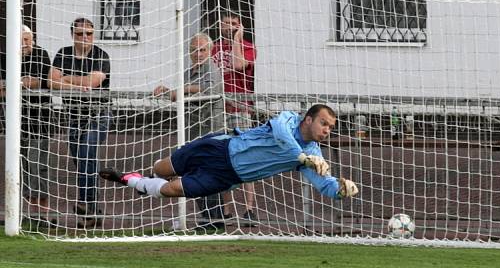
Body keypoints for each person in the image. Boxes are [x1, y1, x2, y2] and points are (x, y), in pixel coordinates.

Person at [99, 104, 359, 210]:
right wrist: (303, 158)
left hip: (227, 175)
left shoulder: (314, 154)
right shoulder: (288, 119)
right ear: (308, 119)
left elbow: (324, 184)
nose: (327, 130)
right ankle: (147, 176)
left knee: (171, 189)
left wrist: (340, 190)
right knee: (163, 168)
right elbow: (281, 136)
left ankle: (131, 181)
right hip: (221, 147)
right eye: (324, 123)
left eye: (331, 128)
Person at [153, 32, 228, 228]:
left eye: (202, 50)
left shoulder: (211, 70)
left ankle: (215, 218)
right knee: (196, 174)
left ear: (210, 51)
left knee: (210, 175)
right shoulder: (189, 72)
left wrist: (184, 89)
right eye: (194, 50)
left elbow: (210, 90)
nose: (198, 53)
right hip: (194, 132)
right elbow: (180, 95)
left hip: (211, 132)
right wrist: (168, 91)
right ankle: (206, 217)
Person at [49, 18, 111, 226]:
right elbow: (51, 81)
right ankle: (93, 212)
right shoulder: (63, 53)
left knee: (86, 152)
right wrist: (77, 84)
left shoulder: (101, 55)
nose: (85, 38)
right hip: (74, 115)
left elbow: (93, 82)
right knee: (83, 162)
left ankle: (84, 204)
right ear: (72, 35)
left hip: (98, 114)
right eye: (80, 34)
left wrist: (66, 79)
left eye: (89, 34)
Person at [0, 25, 53, 215]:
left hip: (40, 120)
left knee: (38, 164)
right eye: (20, 40)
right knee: (20, 165)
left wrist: (14, 84)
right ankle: (26, 211)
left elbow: (39, 81)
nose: (24, 44)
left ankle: (42, 211)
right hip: (15, 120)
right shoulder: (5, 57)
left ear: (33, 39)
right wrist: (20, 83)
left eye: (27, 40)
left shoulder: (41, 54)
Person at [212, 12, 258, 223]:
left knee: (246, 157)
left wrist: (238, 39)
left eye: (234, 24)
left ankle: (249, 208)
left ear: (240, 26)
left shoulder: (247, 46)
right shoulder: (213, 47)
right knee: (222, 157)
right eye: (226, 23)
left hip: (240, 108)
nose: (229, 27)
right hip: (218, 109)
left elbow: (239, 65)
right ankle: (226, 208)